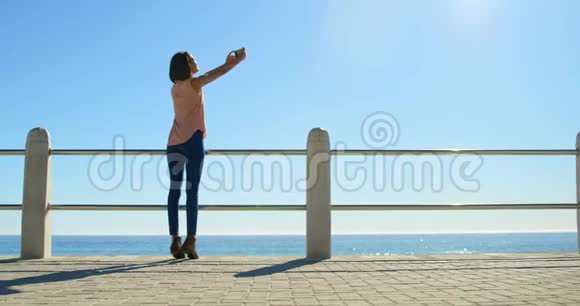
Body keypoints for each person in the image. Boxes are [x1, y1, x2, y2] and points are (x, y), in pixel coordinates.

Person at [166, 48, 247, 259]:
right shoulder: (195, 84)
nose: (195, 60)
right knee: (191, 192)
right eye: (192, 59)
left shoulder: (174, 88)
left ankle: (175, 239)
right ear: (187, 66)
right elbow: (219, 73)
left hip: (174, 143)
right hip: (192, 142)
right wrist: (235, 61)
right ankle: (190, 241)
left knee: (174, 192)